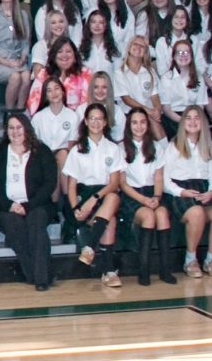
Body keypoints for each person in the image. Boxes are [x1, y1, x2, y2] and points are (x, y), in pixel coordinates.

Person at [0, 114, 59, 291]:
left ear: (27, 129)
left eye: (19, 127)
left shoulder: (42, 151)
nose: (15, 132)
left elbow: (49, 183)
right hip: (5, 208)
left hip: (37, 205)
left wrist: (28, 206)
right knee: (15, 225)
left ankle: (39, 279)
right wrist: (9, 205)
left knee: (36, 223)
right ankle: (38, 275)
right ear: (6, 131)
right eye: (11, 128)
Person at [61, 104, 125, 287]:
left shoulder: (113, 149)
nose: (96, 122)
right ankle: (108, 270)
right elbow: (71, 185)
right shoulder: (77, 150)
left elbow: (114, 183)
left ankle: (89, 247)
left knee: (113, 198)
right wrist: (75, 208)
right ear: (86, 122)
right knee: (109, 219)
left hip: (104, 194)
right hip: (83, 196)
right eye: (92, 118)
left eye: (99, 119)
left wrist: (95, 199)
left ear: (105, 122)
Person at [166, 106, 212, 278]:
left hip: (203, 189)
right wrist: (181, 192)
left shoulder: (208, 147)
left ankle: (211, 259)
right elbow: (164, 180)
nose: (193, 122)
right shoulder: (174, 146)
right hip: (181, 191)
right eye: (188, 118)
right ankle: (190, 260)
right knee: (197, 213)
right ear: (183, 122)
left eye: (197, 118)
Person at [119, 108, 177, 285]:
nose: (139, 126)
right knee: (149, 216)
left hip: (153, 193)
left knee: (161, 214)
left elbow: (159, 176)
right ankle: (143, 269)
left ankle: (165, 269)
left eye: (143, 122)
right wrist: (143, 200)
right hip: (132, 195)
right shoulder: (121, 148)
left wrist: (157, 197)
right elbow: (122, 183)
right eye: (135, 122)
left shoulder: (157, 147)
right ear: (129, 125)